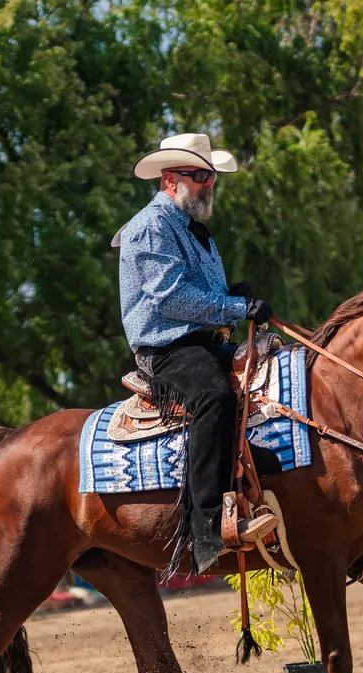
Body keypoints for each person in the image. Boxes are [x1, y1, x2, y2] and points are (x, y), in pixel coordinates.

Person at [114, 133, 277, 573]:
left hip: (204, 343)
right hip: (166, 349)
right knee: (216, 398)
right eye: (201, 175)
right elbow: (170, 297)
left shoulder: (197, 233)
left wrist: (230, 294)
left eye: (212, 176)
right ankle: (207, 529)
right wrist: (237, 306)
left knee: (276, 374)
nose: (210, 184)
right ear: (171, 180)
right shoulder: (148, 226)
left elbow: (200, 294)